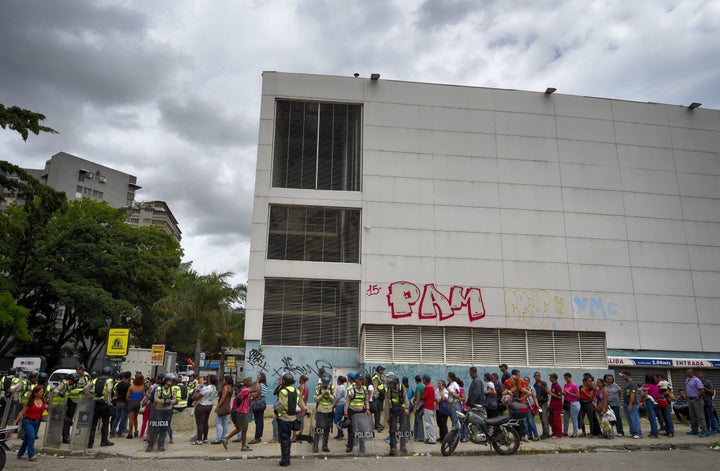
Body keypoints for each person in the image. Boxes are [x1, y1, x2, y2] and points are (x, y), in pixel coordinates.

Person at [276, 372, 306, 467]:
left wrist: (276, 410)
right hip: (293, 418)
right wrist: (306, 410)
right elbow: (301, 404)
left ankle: (285, 460)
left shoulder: (283, 391)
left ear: (284, 381)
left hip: (283, 418)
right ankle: (287, 457)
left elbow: (282, 405)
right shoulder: (296, 391)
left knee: (284, 438)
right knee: (288, 439)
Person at [13, 385, 46, 461]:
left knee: (27, 439)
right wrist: (16, 421)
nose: (42, 393)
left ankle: (20, 453)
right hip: (28, 421)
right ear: (35, 393)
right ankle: (31, 454)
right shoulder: (30, 402)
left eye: (42, 392)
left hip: (36, 422)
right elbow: (22, 412)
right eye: (40, 392)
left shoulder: (43, 400)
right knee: (32, 437)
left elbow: (43, 409)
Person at [145, 374, 177, 452]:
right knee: (155, 428)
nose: (171, 382)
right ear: (166, 380)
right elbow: (155, 399)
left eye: (172, 381)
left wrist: (169, 402)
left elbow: (175, 400)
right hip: (159, 410)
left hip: (168, 410)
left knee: (164, 428)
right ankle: (150, 445)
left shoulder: (172, 389)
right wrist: (163, 402)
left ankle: (161, 445)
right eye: (170, 381)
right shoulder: (158, 388)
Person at [84, 366, 114, 448]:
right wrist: (106, 400)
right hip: (104, 405)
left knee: (93, 424)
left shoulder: (95, 379)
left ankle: (90, 443)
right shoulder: (109, 380)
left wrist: (90, 395)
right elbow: (109, 390)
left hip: (95, 403)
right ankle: (104, 441)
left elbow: (85, 388)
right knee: (105, 423)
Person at [344, 373, 370, 454]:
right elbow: (347, 401)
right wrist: (345, 412)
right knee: (351, 430)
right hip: (352, 411)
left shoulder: (364, 389)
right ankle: (350, 446)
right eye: (359, 379)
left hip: (361, 411)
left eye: (361, 379)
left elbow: (366, 400)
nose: (360, 381)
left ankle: (362, 447)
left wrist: (367, 409)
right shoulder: (350, 389)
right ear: (355, 379)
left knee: (362, 429)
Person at [224, 376, 252, 451]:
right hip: (243, 412)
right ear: (247, 382)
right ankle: (243, 446)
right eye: (250, 381)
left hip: (242, 411)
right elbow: (255, 390)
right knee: (244, 430)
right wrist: (258, 380)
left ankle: (226, 439)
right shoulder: (245, 390)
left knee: (239, 428)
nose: (251, 383)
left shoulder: (244, 390)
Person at [313, 373, 335, 453]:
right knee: (319, 429)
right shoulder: (318, 388)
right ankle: (315, 446)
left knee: (327, 429)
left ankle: (325, 446)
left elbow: (334, 399)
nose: (325, 385)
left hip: (329, 411)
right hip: (320, 411)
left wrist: (329, 394)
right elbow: (315, 398)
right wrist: (322, 394)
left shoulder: (332, 388)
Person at [192, 375, 217, 444]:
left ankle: (199, 440)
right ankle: (205, 438)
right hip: (209, 405)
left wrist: (193, 397)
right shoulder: (214, 388)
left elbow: (197, 396)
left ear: (210, 380)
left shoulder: (206, 388)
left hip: (202, 405)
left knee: (200, 423)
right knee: (205, 422)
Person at [685, 368, 708, 437]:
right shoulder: (687, 380)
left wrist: (698, 397)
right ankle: (694, 430)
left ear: (692, 373)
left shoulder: (696, 380)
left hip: (696, 399)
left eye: (689, 372)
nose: (687, 374)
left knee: (700, 416)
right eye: (687, 372)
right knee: (692, 416)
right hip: (690, 399)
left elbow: (702, 390)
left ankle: (704, 431)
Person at [620, 371, 643, 439]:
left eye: (623, 375)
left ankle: (638, 433)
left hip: (632, 404)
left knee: (634, 418)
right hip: (626, 403)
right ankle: (632, 432)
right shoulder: (626, 384)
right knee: (629, 419)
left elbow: (632, 394)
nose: (622, 377)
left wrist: (630, 404)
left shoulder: (632, 384)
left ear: (627, 375)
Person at [212, 375, 233, 444]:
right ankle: (224, 437)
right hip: (227, 406)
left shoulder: (226, 387)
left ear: (226, 381)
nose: (223, 381)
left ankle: (218, 438)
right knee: (225, 422)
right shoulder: (230, 387)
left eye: (224, 380)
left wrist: (218, 406)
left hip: (223, 406)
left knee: (218, 422)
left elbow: (223, 397)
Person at [110, 371, 131, 438]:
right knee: (122, 419)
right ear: (129, 377)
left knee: (116, 418)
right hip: (124, 402)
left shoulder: (119, 384)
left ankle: (112, 433)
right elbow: (128, 395)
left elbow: (116, 393)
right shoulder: (129, 385)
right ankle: (119, 433)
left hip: (118, 402)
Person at [249, 372, 268, 444]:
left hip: (258, 403)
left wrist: (257, 380)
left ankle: (257, 437)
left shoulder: (260, 384)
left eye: (259, 376)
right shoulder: (265, 385)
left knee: (258, 421)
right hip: (262, 403)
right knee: (260, 420)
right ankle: (259, 436)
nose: (257, 376)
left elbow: (256, 391)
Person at [562, 372, 580, 438]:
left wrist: (569, 393)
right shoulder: (565, 385)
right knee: (565, 418)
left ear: (570, 377)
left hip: (573, 403)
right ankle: (565, 432)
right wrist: (564, 393)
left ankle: (575, 433)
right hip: (567, 402)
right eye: (565, 378)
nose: (566, 379)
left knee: (574, 418)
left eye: (567, 378)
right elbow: (566, 394)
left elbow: (578, 395)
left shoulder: (574, 385)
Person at [126, 373, 144, 439]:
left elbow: (127, 397)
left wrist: (129, 401)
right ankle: (136, 431)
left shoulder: (131, 387)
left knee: (131, 419)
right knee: (135, 418)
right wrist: (139, 400)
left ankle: (130, 433)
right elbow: (143, 396)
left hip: (132, 402)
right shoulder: (142, 387)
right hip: (138, 402)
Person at [292, 374, 309, 442]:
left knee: (296, 422)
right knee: (301, 422)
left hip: (299, 406)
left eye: (299, 379)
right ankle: (299, 435)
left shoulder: (301, 387)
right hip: (304, 405)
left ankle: (295, 437)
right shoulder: (306, 387)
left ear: (301, 380)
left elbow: (300, 396)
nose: (298, 380)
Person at [642, 374, 660, 438]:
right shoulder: (656, 386)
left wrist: (643, 394)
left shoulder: (647, 385)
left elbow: (645, 395)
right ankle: (654, 432)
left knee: (651, 418)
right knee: (654, 418)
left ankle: (654, 433)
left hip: (649, 401)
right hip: (656, 401)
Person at [532, 372, 550, 439]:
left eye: (538, 376)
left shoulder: (543, 383)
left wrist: (541, 386)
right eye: (535, 376)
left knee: (545, 418)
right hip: (538, 404)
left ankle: (546, 433)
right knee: (541, 418)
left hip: (544, 403)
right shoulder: (534, 385)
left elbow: (547, 391)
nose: (537, 377)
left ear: (540, 376)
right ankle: (544, 432)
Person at [420, 374, 436, 444]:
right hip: (430, 407)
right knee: (431, 423)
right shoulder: (431, 386)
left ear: (425, 380)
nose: (422, 380)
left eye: (423, 379)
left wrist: (421, 395)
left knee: (429, 424)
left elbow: (424, 397)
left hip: (428, 407)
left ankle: (432, 439)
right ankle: (431, 438)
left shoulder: (427, 387)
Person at [523, 376, 540, 441]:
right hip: (524, 407)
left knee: (531, 421)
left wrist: (537, 405)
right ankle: (528, 435)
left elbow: (535, 397)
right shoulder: (522, 388)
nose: (525, 381)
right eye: (524, 380)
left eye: (527, 380)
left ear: (529, 381)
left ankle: (536, 435)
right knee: (525, 422)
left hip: (530, 406)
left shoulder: (532, 388)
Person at [547, 373, 563, 439]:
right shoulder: (552, 385)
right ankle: (554, 432)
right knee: (551, 420)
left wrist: (550, 393)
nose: (549, 378)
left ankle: (558, 434)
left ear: (554, 378)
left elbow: (559, 397)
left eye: (551, 377)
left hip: (557, 406)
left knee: (557, 421)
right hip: (552, 406)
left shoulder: (557, 386)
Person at [371, 366, 386, 431]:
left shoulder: (380, 377)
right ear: (379, 370)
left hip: (381, 397)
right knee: (377, 411)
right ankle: (377, 425)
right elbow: (375, 387)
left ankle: (378, 423)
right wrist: (375, 396)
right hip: (377, 397)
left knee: (379, 411)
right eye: (382, 370)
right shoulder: (376, 377)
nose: (383, 371)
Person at [333, 376, 348, 441]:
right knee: (338, 420)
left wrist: (334, 404)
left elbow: (337, 397)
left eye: (337, 380)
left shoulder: (339, 388)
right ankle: (339, 434)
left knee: (336, 420)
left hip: (339, 405)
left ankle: (341, 434)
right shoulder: (344, 387)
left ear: (339, 381)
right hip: (343, 404)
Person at [411, 375, 425, 442]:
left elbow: (418, 398)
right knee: (417, 420)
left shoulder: (419, 387)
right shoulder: (423, 385)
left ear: (415, 380)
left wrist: (415, 408)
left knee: (418, 420)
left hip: (419, 405)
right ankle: (416, 436)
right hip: (422, 405)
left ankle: (420, 437)